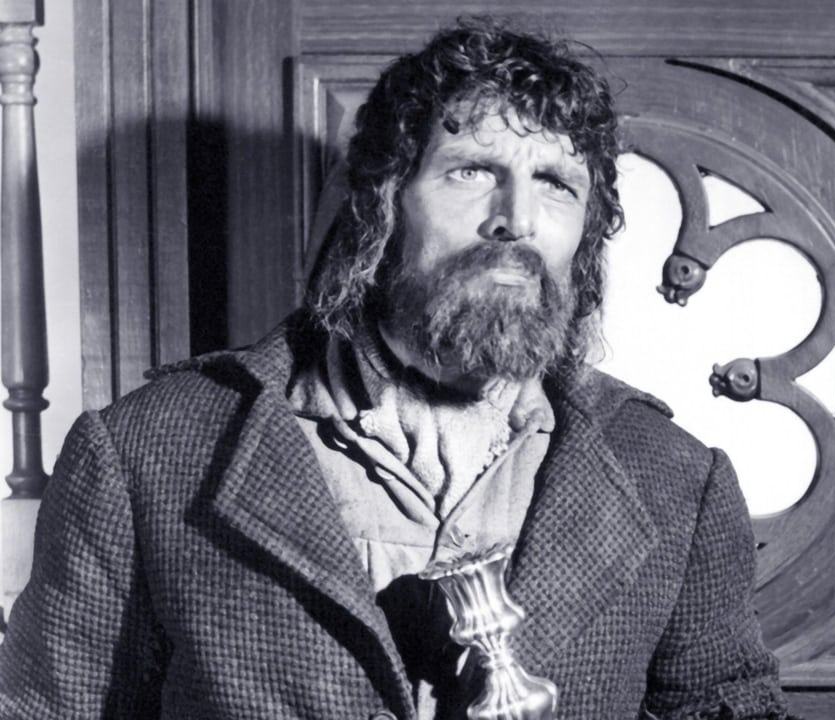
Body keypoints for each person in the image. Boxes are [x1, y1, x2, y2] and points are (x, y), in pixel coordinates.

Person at [0, 18, 791, 720]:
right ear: (381, 203)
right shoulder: (146, 454)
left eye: (556, 184)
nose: (516, 219)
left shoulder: (674, 480)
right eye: (471, 170)